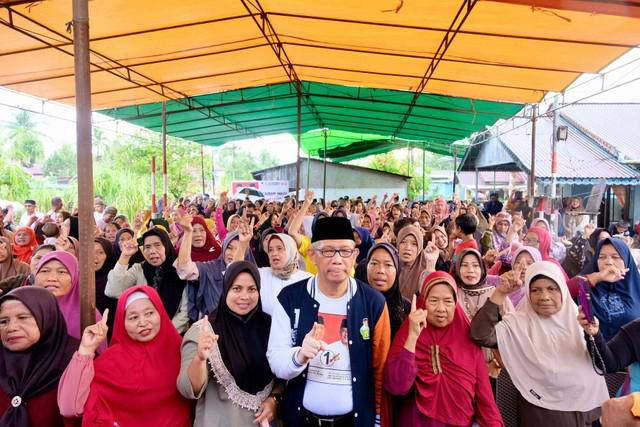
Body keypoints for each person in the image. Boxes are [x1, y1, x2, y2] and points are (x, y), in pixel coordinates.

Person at [267, 216, 391, 427]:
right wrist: (300, 355)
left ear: (355, 256)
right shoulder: (290, 298)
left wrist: (378, 421)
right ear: (312, 255)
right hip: (302, 420)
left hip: (354, 421)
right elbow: (276, 361)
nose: (337, 259)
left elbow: (380, 369)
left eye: (344, 251)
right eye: (327, 251)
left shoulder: (373, 303)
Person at [469, 261, 609, 427]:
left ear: (563, 290)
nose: (544, 296)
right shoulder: (518, 325)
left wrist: (594, 335)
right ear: (527, 293)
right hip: (540, 413)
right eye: (535, 290)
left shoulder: (581, 323)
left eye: (552, 288)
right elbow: (480, 334)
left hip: (588, 413)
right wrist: (500, 293)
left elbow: (605, 362)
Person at [57, 286, 193, 426]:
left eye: (149, 313)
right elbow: (69, 408)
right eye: (133, 317)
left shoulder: (183, 353)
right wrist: (86, 349)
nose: (143, 322)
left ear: (161, 313)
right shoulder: (109, 364)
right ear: (122, 323)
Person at [382, 271, 504, 427]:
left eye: (448, 301)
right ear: (423, 302)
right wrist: (412, 337)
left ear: (455, 303)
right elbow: (396, 386)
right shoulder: (409, 332)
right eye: (433, 301)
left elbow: (484, 395)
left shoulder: (466, 338)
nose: (441, 308)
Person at [178, 261, 283, 427]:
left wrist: (275, 399)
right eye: (237, 288)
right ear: (225, 289)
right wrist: (200, 358)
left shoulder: (270, 326)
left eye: (252, 289)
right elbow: (188, 390)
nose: (244, 296)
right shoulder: (204, 332)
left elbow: (283, 376)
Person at [0, 287, 80, 426]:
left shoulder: (77, 361)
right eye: (3, 321)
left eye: (23, 318)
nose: (11, 327)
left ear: (47, 316)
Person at [105, 228, 190, 334]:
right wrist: (125, 256)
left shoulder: (181, 271)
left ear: (167, 246)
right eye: (147, 247)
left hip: (172, 334)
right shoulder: (139, 269)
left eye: (157, 245)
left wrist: (162, 332)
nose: (152, 251)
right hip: (143, 332)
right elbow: (113, 291)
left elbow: (185, 312)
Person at [175, 212, 255, 321]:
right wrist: (188, 232)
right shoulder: (211, 267)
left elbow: (234, 272)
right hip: (213, 326)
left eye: (238, 249)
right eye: (229, 248)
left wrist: (243, 244)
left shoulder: (253, 273)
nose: (232, 253)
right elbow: (185, 269)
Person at [453, 249, 514, 378]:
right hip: (458, 369)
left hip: (491, 370)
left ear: (482, 269)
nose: (470, 270)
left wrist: (497, 363)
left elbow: (511, 331)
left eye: (475, 265)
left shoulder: (496, 293)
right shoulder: (452, 294)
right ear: (457, 268)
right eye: (464, 265)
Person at [34, 251, 107, 354]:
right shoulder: (25, 309)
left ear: (74, 277)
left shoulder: (88, 314)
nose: (51, 278)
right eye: (45, 271)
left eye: (61, 272)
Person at [569, 237, 640, 341]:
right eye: (602, 257)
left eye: (615, 257)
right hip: (592, 353)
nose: (608, 262)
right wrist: (598, 277)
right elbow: (561, 291)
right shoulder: (584, 285)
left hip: (631, 355)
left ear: (626, 260)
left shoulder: (636, 287)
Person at [234, 223, 312, 315]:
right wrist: (243, 243)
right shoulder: (261, 275)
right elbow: (235, 272)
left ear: (291, 251)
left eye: (279, 248)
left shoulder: (308, 280)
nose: (274, 253)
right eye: (270, 249)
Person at [365, 243, 410, 340]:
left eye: (388, 265)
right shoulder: (354, 305)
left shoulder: (407, 308)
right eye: (374, 263)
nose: (380, 270)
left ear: (397, 270)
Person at [396, 226, 439, 299]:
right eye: (403, 242)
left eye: (414, 244)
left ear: (419, 248)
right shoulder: (389, 265)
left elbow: (432, 296)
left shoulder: (425, 269)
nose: (407, 247)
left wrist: (430, 264)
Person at [94, 237, 118, 340]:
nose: (94, 256)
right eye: (89, 251)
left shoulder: (115, 278)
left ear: (108, 255)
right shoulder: (78, 277)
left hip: (111, 332)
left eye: (100, 252)